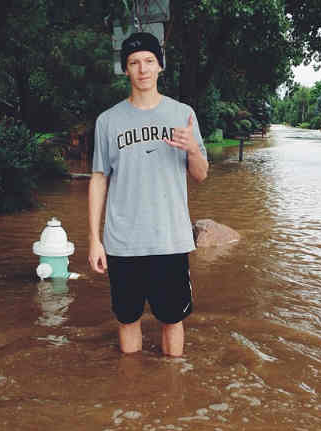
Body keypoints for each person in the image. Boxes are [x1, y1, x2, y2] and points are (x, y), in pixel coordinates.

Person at [88, 32, 208, 357]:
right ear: (125, 70)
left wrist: (193, 149)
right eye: (134, 63)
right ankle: (131, 396)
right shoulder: (107, 121)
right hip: (122, 242)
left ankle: (173, 391)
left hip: (169, 239)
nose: (142, 69)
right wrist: (94, 239)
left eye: (149, 61)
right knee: (127, 320)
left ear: (160, 66)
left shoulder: (183, 115)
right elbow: (98, 179)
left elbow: (200, 175)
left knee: (172, 320)